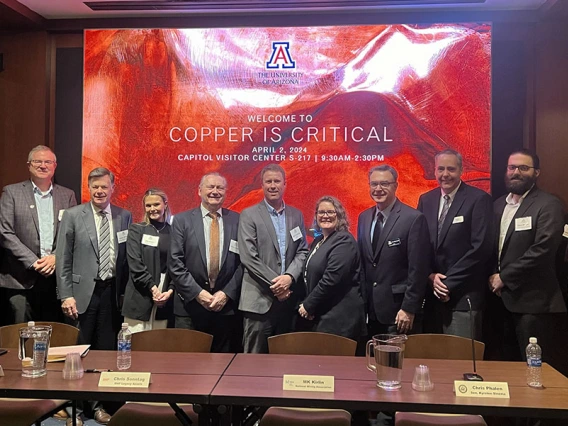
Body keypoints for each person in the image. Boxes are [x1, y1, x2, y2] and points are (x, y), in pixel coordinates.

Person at [56, 167, 132, 426]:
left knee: (104, 353)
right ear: (89, 189)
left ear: (113, 188)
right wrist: (66, 295)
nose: (99, 191)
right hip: (80, 295)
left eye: (104, 187)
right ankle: (75, 409)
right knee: (77, 353)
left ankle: (98, 406)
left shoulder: (124, 216)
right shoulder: (74, 215)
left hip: (111, 295)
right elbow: (63, 258)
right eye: (95, 187)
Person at [489, 149, 568, 377]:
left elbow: (543, 249)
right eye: (512, 167)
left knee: (536, 374)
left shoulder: (548, 204)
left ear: (536, 173)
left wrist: (504, 277)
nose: (516, 172)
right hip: (499, 303)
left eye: (524, 168)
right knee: (505, 372)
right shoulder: (497, 206)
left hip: (534, 305)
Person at [417, 150, 493, 339]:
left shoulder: (478, 199)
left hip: (463, 295)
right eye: (440, 169)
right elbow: (419, 245)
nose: (445, 174)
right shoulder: (426, 199)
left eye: (451, 169)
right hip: (431, 295)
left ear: (461, 170)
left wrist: (447, 283)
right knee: (434, 361)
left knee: (462, 360)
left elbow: (481, 248)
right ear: (434, 171)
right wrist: (430, 276)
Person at [0, 145, 76, 323]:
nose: (43, 165)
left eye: (47, 162)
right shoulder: (11, 192)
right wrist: (34, 262)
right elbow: (5, 232)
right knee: (22, 335)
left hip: (55, 279)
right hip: (20, 279)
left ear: (55, 166)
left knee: (54, 334)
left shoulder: (67, 195)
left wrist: (56, 257)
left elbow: (72, 234)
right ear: (29, 165)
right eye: (38, 161)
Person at [238, 164, 308, 353]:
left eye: (277, 181)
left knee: (285, 360)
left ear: (285, 184)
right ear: (262, 185)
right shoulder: (248, 215)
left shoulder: (296, 215)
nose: (273, 185)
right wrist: (278, 285)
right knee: (253, 361)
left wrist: (289, 278)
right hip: (259, 301)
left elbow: (302, 251)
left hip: (288, 301)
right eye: (268, 181)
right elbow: (248, 257)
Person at [169, 173, 243, 353]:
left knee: (222, 367)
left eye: (220, 188)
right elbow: (175, 262)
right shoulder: (181, 220)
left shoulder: (238, 220)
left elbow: (244, 263)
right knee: (188, 366)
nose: (215, 191)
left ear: (226, 192)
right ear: (199, 191)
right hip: (190, 307)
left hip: (225, 307)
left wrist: (226, 294)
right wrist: (198, 293)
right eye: (210, 187)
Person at [357, 164, 430, 336]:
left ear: (395, 186)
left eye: (384, 184)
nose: (378, 189)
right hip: (370, 310)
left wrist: (409, 308)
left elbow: (418, 269)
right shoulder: (364, 217)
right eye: (374, 184)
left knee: (395, 362)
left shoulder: (413, 219)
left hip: (399, 312)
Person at [297, 196, 366, 341]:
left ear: (339, 215)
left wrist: (309, 305)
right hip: (322, 315)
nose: (325, 216)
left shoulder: (344, 240)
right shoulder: (318, 241)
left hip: (340, 321)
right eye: (321, 212)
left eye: (330, 212)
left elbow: (332, 278)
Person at [122, 188, 174, 333]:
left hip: (165, 296)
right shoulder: (136, 230)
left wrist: (169, 291)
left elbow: (178, 264)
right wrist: (153, 288)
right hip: (140, 294)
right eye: (148, 205)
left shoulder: (174, 231)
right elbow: (135, 263)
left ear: (165, 204)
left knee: (158, 346)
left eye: (156, 204)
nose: (152, 209)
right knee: (135, 345)